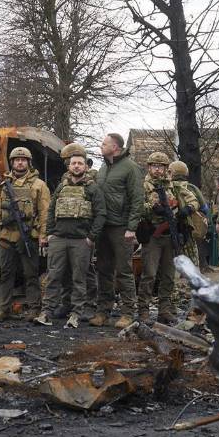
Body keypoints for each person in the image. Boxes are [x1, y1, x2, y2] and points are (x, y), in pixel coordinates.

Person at [40, 143, 105, 328]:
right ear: (69, 166)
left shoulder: (92, 188)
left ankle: (77, 313)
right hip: (59, 239)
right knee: (53, 276)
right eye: (73, 163)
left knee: (79, 278)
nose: (76, 166)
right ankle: (46, 312)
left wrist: (91, 237)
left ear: (85, 166)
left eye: (80, 163)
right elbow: (51, 210)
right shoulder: (61, 187)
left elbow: (100, 214)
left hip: (80, 241)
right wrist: (50, 234)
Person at [0, 146, 50, 321]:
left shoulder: (39, 186)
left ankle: (34, 309)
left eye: (23, 160)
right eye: (16, 160)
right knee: (6, 274)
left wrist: (44, 235)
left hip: (28, 236)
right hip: (6, 236)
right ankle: (4, 309)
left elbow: (45, 213)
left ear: (28, 163)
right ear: (12, 162)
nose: (20, 162)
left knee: (31, 274)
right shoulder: (4, 186)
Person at [139, 152, 199, 324]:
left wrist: (187, 209)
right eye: (154, 166)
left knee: (168, 275)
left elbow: (193, 201)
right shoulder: (143, 186)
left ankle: (164, 310)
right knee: (149, 275)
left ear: (166, 169)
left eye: (161, 167)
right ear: (149, 167)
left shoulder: (174, 186)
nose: (157, 170)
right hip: (152, 235)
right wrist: (152, 208)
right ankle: (143, 310)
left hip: (169, 236)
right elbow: (135, 206)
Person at [94, 133, 143, 329]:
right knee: (103, 270)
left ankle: (128, 313)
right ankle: (103, 312)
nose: (101, 145)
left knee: (124, 270)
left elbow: (137, 198)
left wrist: (132, 227)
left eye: (104, 143)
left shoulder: (130, 168)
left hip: (121, 228)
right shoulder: (103, 167)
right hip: (103, 227)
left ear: (115, 147)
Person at [169, 160, 209, 270]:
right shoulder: (191, 187)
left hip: (169, 227)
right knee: (191, 256)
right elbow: (204, 208)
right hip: (189, 227)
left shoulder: (167, 187)